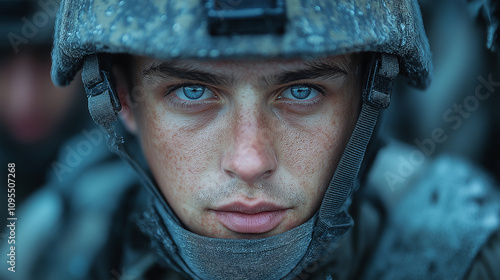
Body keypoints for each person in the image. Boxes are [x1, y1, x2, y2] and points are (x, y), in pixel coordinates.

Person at [13, 0, 500, 279]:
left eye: (302, 91)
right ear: (123, 98)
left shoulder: (466, 252)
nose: (249, 160)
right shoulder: (55, 246)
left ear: (367, 96)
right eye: (193, 90)